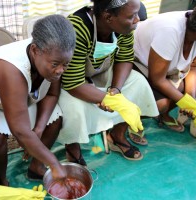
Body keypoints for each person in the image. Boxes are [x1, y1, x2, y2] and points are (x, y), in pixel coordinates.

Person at [0, 14, 76, 182]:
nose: (60, 70)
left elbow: (52, 94)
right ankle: (2, 180)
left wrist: (38, 129)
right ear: (35, 50)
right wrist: (55, 164)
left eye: (65, 64)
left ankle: (36, 166)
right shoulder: (10, 69)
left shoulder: (53, 55)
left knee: (55, 119)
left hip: (21, 97)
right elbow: (20, 131)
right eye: (55, 64)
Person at [57, 0, 159, 163]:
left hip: (102, 71)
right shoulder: (77, 28)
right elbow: (72, 82)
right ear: (108, 16)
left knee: (138, 82)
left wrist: (115, 91)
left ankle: (117, 136)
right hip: (71, 81)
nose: (137, 19)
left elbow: (125, 58)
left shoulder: (124, 27)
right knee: (73, 108)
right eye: (132, 16)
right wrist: (108, 99)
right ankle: (73, 148)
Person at [133, 4, 196, 133]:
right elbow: (157, 79)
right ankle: (131, 123)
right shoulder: (170, 31)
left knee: (190, 89)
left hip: (166, 69)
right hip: (137, 62)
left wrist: (190, 101)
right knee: (160, 104)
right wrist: (188, 104)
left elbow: (195, 67)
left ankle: (163, 115)